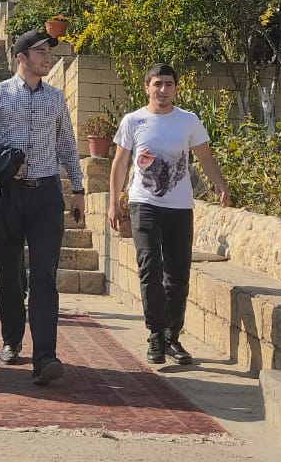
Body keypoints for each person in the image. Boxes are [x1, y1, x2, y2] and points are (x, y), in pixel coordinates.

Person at [0, 30, 84, 386]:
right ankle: (12, 338)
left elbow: (66, 144)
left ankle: (45, 356)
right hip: (8, 196)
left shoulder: (56, 98)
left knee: (44, 275)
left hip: (46, 194)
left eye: (49, 52)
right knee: (10, 274)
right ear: (21, 57)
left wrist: (77, 188)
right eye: (41, 52)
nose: (47, 57)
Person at [107, 63, 230, 366]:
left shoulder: (188, 121)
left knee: (177, 275)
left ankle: (172, 336)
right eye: (157, 84)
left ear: (176, 88)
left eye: (168, 84)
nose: (163, 90)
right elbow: (120, 164)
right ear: (146, 87)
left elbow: (203, 157)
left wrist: (220, 184)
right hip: (143, 204)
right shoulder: (133, 121)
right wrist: (113, 202)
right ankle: (155, 335)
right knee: (150, 267)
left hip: (179, 207)